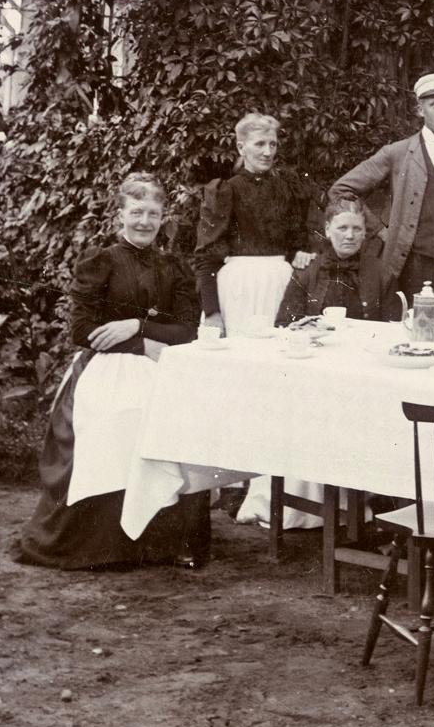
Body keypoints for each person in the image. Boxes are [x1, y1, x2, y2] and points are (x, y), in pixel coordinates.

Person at [16, 173, 211, 569]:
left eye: (153, 214)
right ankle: (105, 544)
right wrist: (138, 341)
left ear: (163, 218)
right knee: (119, 419)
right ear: (120, 214)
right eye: (136, 212)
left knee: (177, 422)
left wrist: (138, 326)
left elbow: (188, 329)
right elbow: (80, 331)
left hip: (160, 366)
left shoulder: (173, 266)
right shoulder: (100, 262)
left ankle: (165, 542)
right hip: (106, 369)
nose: (144, 221)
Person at [329, 72, 434, 318]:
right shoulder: (398, 153)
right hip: (412, 264)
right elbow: (342, 190)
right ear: (420, 110)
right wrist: (382, 230)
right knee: (411, 329)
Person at [193, 113, 318, 335]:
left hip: (280, 283)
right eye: (259, 144)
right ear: (241, 148)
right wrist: (212, 312)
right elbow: (206, 257)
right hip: (239, 287)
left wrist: (301, 254)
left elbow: (297, 245)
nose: (267, 152)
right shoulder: (225, 191)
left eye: (273, 144)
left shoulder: (287, 188)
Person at [274, 199, 385, 324]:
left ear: (364, 232)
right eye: (342, 228)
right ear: (327, 230)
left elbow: (394, 329)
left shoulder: (381, 273)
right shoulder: (307, 271)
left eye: (357, 229)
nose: (350, 235)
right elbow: (284, 325)